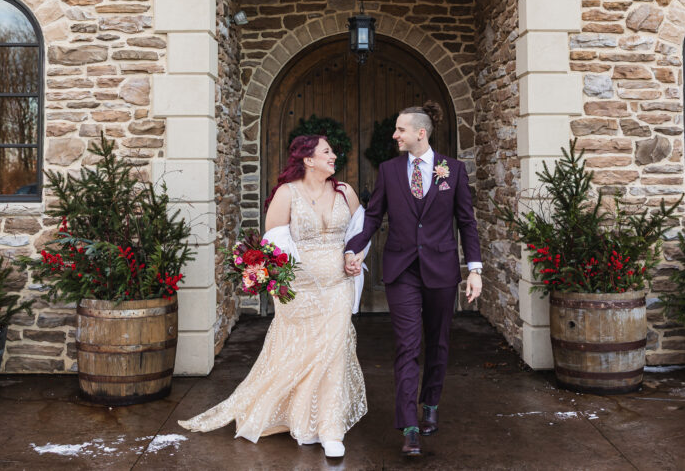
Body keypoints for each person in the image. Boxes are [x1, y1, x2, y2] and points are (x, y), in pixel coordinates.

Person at [179, 135, 368, 458]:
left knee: (333, 352)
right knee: (299, 355)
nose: (334, 156)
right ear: (308, 160)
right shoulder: (286, 193)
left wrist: (356, 258)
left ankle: (330, 428)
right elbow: (274, 244)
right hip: (299, 290)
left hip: (338, 285)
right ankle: (301, 419)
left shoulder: (344, 192)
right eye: (327, 151)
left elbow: (360, 232)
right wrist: (287, 281)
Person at [344, 101, 482, 456]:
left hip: (441, 270)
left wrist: (475, 270)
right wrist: (355, 249)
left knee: (437, 341)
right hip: (401, 269)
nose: (395, 135)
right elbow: (373, 216)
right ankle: (409, 427)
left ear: (421, 133)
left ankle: (431, 403)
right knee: (407, 345)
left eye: (400, 129)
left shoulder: (453, 170)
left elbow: (466, 222)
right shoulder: (389, 171)